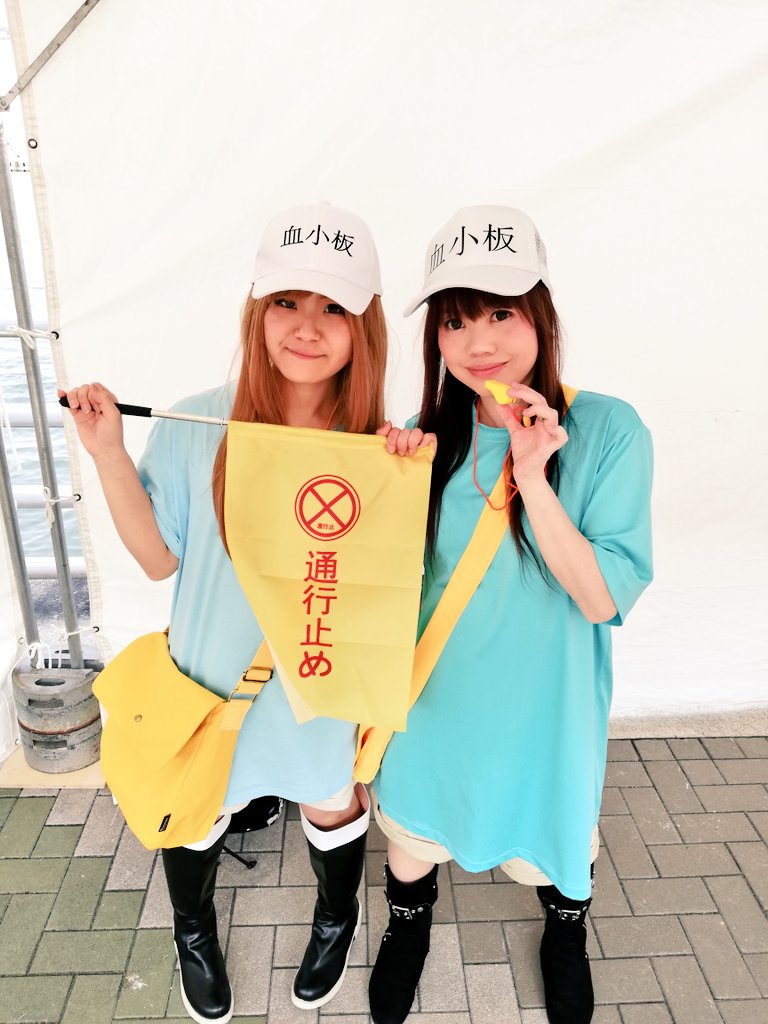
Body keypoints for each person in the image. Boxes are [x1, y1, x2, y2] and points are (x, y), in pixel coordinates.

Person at [60, 203, 431, 1024]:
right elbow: (158, 559)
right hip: (209, 679)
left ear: (365, 326)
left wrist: (406, 476)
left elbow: (396, 578)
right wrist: (109, 452)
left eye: (334, 307)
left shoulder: (379, 443)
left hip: (319, 675)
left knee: (331, 798)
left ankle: (336, 918)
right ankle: (193, 932)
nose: (307, 326)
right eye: (286, 302)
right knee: (196, 810)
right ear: (256, 310)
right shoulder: (198, 420)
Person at [368, 205, 653, 1024]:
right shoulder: (426, 437)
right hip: (436, 696)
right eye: (455, 321)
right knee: (413, 833)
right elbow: (387, 583)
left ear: (540, 315)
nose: (478, 342)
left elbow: (600, 597)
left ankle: (565, 936)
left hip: (545, 706)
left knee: (557, 841)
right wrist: (382, 483)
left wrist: (531, 474)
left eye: (500, 313)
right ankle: (408, 926)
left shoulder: (607, 430)